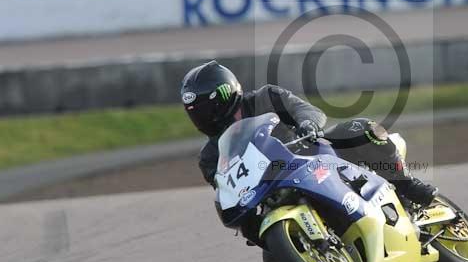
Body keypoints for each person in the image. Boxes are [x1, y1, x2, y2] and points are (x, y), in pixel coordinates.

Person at [180, 60, 438, 206]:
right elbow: (226, 192)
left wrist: (308, 124)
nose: (201, 116)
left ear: (225, 94)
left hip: (314, 154)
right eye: (194, 111)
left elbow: (308, 111)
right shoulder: (210, 157)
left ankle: (407, 185)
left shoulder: (267, 97)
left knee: (363, 128)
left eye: (204, 107)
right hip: (274, 191)